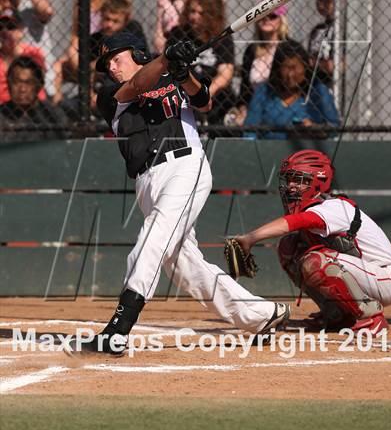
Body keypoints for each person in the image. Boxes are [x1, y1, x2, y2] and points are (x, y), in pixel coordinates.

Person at [66, 31, 290, 355]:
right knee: (186, 267)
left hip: (185, 167)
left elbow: (204, 101)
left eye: (116, 59)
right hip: (147, 182)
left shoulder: (171, 74)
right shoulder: (109, 94)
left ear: (137, 53)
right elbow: (139, 85)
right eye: (107, 64)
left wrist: (184, 74)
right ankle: (261, 316)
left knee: (152, 240)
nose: (112, 68)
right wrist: (167, 58)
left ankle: (118, 328)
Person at [232, 150, 391, 336]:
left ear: (317, 181)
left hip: (385, 277)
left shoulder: (333, 207)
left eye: (298, 180)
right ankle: (337, 314)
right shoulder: (319, 207)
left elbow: (294, 222)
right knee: (289, 247)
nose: (290, 186)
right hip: (363, 273)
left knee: (316, 261)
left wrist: (250, 238)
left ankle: (372, 318)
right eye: (288, 179)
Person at [52, 0, 149, 113]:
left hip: (128, 82)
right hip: (100, 85)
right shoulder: (95, 39)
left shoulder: (133, 31)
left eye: (115, 21)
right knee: (67, 105)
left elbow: (142, 59)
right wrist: (91, 94)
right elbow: (87, 70)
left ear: (126, 20)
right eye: (107, 19)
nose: (109, 25)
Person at [167, 0, 235, 128]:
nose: (194, 16)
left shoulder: (222, 38)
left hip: (213, 99)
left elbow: (226, 73)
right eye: (192, 11)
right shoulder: (178, 34)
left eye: (201, 13)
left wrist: (204, 95)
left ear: (212, 15)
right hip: (182, 95)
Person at [244, 40, 339, 139]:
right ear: (277, 68)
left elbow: (335, 129)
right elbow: (249, 131)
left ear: (305, 67)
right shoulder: (264, 91)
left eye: (294, 68)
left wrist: (316, 129)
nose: (290, 75)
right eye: (285, 68)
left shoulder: (318, 91)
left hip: (308, 152)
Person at [228, 4, 290, 126]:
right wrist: (243, 109)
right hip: (254, 107)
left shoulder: (288, 49)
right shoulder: (252, 50)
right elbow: (244, 88)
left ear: (281, 21)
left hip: (280, 106)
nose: (266, 19)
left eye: (272, 16)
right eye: (262, 16)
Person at [0, 0, 55, 95]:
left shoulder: (28, 8)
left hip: (38, 75)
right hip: (7, 79)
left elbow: (47, 11)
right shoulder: (2, 14)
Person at [0, 56, 67, 140]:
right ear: (8, 83)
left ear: (39, 86)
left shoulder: (53, 115)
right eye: (16, 82)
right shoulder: (2, 115)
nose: (22, 89)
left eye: (28, 83)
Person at [0, 10, 46, 103]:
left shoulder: (33, 53)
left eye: (10, 27)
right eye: (0, 27)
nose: (4, 31)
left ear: (20, 31)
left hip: (32, 106)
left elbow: (38, 85)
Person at [307, 0, 343, 87]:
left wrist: (315, 63)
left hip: (336, 88)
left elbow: (338, 66)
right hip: (317, 88)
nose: (321, 3)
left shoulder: (344, 28)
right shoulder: (317, 30)